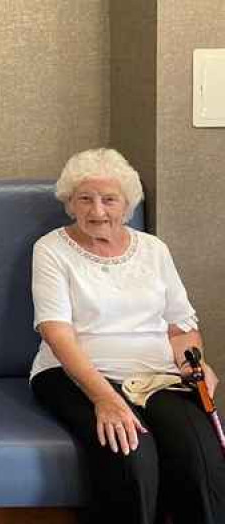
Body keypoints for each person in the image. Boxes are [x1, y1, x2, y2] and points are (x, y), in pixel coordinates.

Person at [29, 149, 225, 523]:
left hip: (155, 374)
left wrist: (193, 365)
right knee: (131, 454)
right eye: (84, 198)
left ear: (128, 205)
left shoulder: (154, 250)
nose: (97, 210)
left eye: (109, 199)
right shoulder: (51, 249)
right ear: (70, 203)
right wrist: (104, 398)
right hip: (75, 374)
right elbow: (57, 333)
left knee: (201, 455)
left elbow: (180, 327)